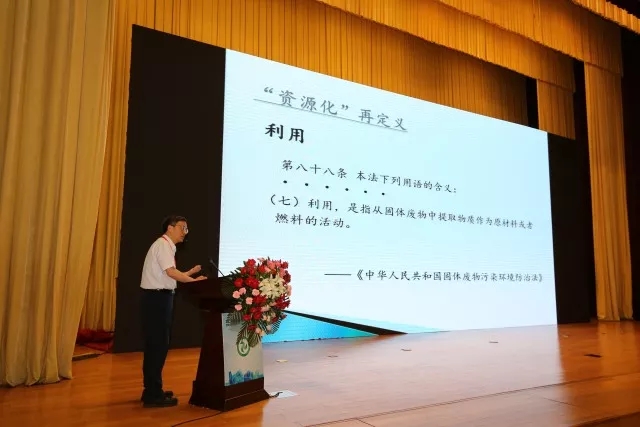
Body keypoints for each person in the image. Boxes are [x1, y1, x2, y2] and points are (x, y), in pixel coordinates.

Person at [139, 215, 206, 407]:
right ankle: (153, 394)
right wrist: (193, 282)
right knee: (157, 346)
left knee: (156, 346)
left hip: (157, 299)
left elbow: (169, 276)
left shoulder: (165, 246)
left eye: (186, 229)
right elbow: (171, 273)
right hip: (157, 300)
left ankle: (152, 389)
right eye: (182, 228)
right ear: (170, 227)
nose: (185, 232)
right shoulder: (163, 245)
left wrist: (191, 274)